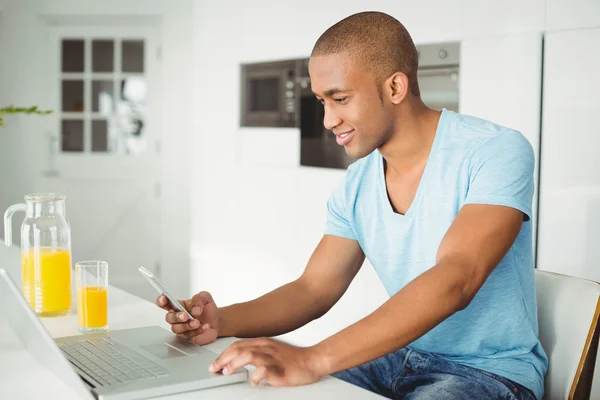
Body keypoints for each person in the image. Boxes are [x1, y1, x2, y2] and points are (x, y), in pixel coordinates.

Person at [156, 11, 548, 400]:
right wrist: (222, 320)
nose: (328, 119)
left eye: (340, 98)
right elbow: (313, 289)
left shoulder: (493, 150)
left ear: (395, 87)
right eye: (322, 101)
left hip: (490, 373)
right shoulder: (357, 184)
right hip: (398, 359)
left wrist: (313, 358)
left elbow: (457, 277)